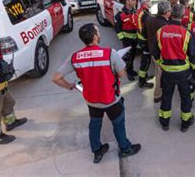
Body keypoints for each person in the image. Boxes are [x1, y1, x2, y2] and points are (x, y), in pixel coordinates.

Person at [52, 23, 141, 164]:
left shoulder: (75, 57)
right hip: (111, 99)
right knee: (118, 124)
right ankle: (125, 148)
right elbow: (122, 74)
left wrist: (69, 86)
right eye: (98, 32)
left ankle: (97, 150)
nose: (99, 35)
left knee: (95, 124)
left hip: (91, 100)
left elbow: (56, 78)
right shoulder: (110, 53)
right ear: (94, 37)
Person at [153, 4, 195, 132]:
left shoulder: (161, 32)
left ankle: (165, 122)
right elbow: (193, 54)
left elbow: (155, 52)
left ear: (171, 14)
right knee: (185, 97)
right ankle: (185, 123)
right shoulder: (187, 33)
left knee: (166, 97)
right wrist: (192, 69)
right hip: (183, 73)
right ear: (183, 16)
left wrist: (161, 63)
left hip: (167, 72)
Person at [144, 1, 170, 103]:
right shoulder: (164, 25)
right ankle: (157, 95)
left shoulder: (149, 19)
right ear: (167, 12)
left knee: (158, 72)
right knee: (159, 74)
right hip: (160, 53)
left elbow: (144, 33)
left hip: (152, 49)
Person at [115, 0, 138, 80]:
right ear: (127, 2)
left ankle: (131, 69)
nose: (135, 2)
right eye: (133, 0)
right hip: (127, 40)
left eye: (135, 0)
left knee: (133, 55)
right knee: (128, 57)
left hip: (135, 39)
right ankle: (128, 71)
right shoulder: (120, 14)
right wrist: (122, 39)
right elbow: (117, 28)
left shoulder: (135, 11)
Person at [136, 0, 154, 89]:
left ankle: (144, 76)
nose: (150, 2)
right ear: (144, 3)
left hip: (143, 39)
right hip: (144, 40)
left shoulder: (144, 11)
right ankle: (142, 81)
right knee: (146, 61)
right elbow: (141, 29)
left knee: (145, 59)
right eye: (149, 0)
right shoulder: (143, 14)